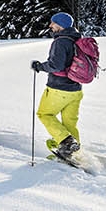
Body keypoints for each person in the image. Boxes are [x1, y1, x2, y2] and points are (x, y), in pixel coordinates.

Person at [31, 12, 83, 160]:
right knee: (69, 122)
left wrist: (40, 66)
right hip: (76, 89)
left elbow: (56, 65)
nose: (50, 26)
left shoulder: (61, 42)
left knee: (45, 114)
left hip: (59, 88)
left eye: (53, 23)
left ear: (60, 25)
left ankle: (66, 143)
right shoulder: (77, 40)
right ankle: (74, 153)